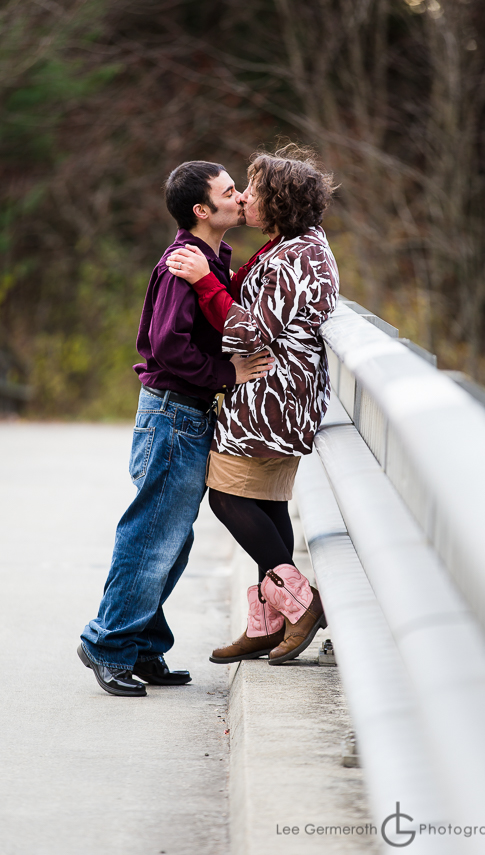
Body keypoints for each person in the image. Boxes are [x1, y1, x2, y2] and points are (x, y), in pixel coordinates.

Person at [78, 160, 273, 697]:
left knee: (172, 541)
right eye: (230, 191)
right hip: (172, 413)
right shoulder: (182, 262)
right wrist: (225, 374)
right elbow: (167, 346)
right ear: (202, 210)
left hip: (186, 414)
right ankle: (107, 643)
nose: (240, 197)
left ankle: (142, 645)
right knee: (151, 537)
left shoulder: (211, 259)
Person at [166, 145, 339, 666]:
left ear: (278, 201)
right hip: (280, 394)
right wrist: (216, 277)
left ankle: (301, 604)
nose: (244, 197)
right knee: (264, 503)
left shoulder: (295, 256)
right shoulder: (289, 245)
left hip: (271, 395)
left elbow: (245, 328)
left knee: (228, 498)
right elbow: (245, 296)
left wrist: (200, 280)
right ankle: (268, 621)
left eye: (254, 190)